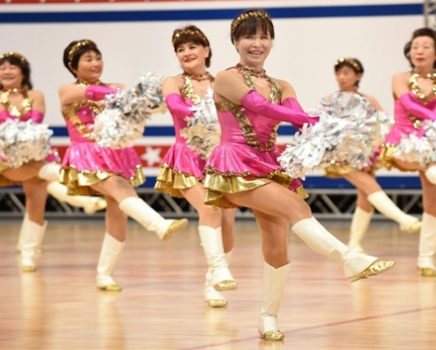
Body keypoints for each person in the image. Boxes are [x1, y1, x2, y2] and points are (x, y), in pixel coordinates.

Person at [204, 9, 394, 341]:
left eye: (264, 37)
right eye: (249, 36)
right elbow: (261, 108)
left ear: (272, 42)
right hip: (234, 162)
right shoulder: (225, 77)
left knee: (277, 245)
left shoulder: (282, 84)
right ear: (235, 41)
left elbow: (295, 118)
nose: (257, 43)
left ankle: (268, 318)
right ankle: (349, 258)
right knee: (296, 207)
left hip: (268, 164)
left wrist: (334, 127)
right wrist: (311, 118)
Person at [59, 39, 188, 291]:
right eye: (88, 59)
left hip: (115, 153)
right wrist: (128, 93)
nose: (95, 63)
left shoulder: (115, 87)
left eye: (98, 57)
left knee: (117, 212)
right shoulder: (66, 90)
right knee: (120, 190)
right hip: (87, 154)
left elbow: (132, 111)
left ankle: (104, 275)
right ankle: (159, 224)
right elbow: (93, 93)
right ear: (73, 66)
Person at [0, 51, 106, 272]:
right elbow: (7, 124)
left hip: (37, 153)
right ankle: (80, 197)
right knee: (44, 174)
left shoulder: (35, 95)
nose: (7, 71)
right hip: (8, 159)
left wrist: (31, 143)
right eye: (2, 68)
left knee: (35, 204)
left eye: (12, 67)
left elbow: (36, 123)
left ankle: (28, 254)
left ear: (23, 73)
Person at [155, 25, 237, 308]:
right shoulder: (173, 81)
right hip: (187, 156)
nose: (187, 52)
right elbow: (175, 105)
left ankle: (212, 285)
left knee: (227, 223)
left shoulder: (223, 82)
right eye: (180, 49)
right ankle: (218, 271)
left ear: (206, 50)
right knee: (209, 208)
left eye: (192, 46)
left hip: (220, 159)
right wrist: (202, 112)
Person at [379, 28, 436, 277]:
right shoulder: (400, 77)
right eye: (415, 45)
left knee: (434, 202)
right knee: (428, 167)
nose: (419, 50)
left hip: (429, 145)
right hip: (403, 142)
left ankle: (426, 259)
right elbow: (407, 105)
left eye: (426, 46)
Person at [322, 57, 420, 254]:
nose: (341, 77)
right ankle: (402, 218)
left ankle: (354, 243)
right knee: (370, 186)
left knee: (365, 196)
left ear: (358, 76)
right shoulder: (331, 100)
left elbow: (384, 123)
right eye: (339, 73)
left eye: (346, 73)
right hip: (341, 154)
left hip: (364, 154)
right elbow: (325, 127)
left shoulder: (369, 100)